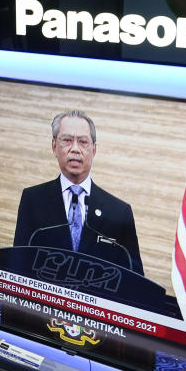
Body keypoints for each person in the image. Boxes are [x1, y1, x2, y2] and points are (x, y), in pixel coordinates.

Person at [12, 111, 143, 275]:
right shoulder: (33, 200)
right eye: (67, 140)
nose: (75, 149)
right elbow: (18, 265)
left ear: (94, 150)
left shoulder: (119, 212)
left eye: (83, 142)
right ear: (54, 147)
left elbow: (135, 279)